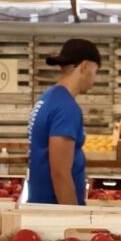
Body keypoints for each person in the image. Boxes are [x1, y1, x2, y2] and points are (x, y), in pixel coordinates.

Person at [25, 39, 101, 205]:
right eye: (95, 71)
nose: (94, 80)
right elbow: (60, 173)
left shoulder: (47, 98)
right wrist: (72, 215)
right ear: (85, 66)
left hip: (39, 205)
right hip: (54, 210)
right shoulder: (66, 108)